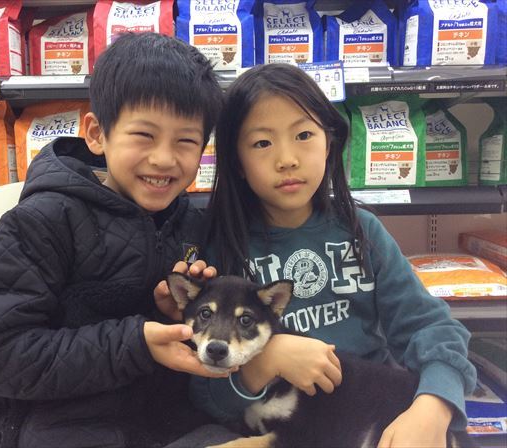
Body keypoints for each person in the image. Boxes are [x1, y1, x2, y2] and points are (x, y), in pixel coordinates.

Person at [155, 63, 477, 448]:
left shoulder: (362, 231)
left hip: (367, 414)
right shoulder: (217, 248)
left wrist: (433, 406)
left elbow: (431, 327)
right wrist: (267, 360)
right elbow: (206, 395)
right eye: (262, 143)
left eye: (304, 135)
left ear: (329, 142)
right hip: (271, 429)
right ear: (236, 161)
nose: (287, 159)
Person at [0, 32, 242, 448]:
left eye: (185, 141)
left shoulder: (191, 226)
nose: (164, 158)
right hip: (57, 425)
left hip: (165, 422)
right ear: (97, 134)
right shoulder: (42, 222)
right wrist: (137, 344)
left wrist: (177, 313)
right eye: (144, 135)